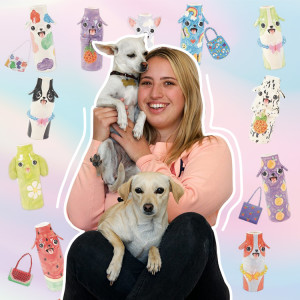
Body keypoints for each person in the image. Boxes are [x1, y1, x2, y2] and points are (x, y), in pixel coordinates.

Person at [63, 46, 233, 300]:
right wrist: (98, 141)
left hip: (189, 285)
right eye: (146, 82)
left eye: (168, 83)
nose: (155, 93)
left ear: (188, 93)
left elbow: (183, 209)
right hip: (127, 276)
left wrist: (143, 155)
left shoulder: (209, 149)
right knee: (85, 247)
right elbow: (83, 218)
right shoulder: (119, 153)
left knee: (192, 225)